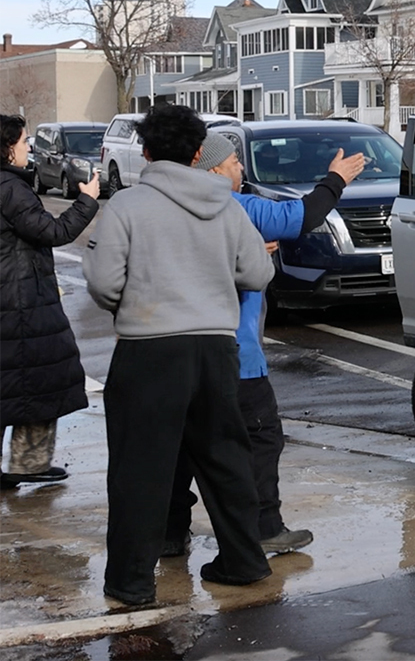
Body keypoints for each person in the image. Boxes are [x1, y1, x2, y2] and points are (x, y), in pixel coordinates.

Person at [83, 104, 276, 606]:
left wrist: (132, 305)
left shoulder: (127, 205)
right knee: (225, 459)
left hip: (148, 350)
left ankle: (132, 582)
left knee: (140, 468)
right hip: (216, 348)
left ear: (146, 153)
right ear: (197, 154)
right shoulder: (227, 205)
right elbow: (258, 274)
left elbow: (103, 283)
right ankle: (244, 561)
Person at [163, 132, 364, 557]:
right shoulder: (236, 207)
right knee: (260, 437)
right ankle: (264, 527)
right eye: (235, 162)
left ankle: (169, 532)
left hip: (174, 352)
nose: (241, 169)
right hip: (235, 354)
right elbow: (301, 216)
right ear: (214, 170)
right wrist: (336, 180)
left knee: (179, 444)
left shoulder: (165, 208)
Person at [0, 115, 99, 490]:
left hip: (15, 299)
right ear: (7, 148)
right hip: (20, 302)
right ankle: (29, 463)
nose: (29, 148)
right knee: (41, 378)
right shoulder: (11, 189)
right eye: (24, 141)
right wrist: (87, 201)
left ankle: (28, 463)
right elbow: (53, 231)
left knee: (18, 383)